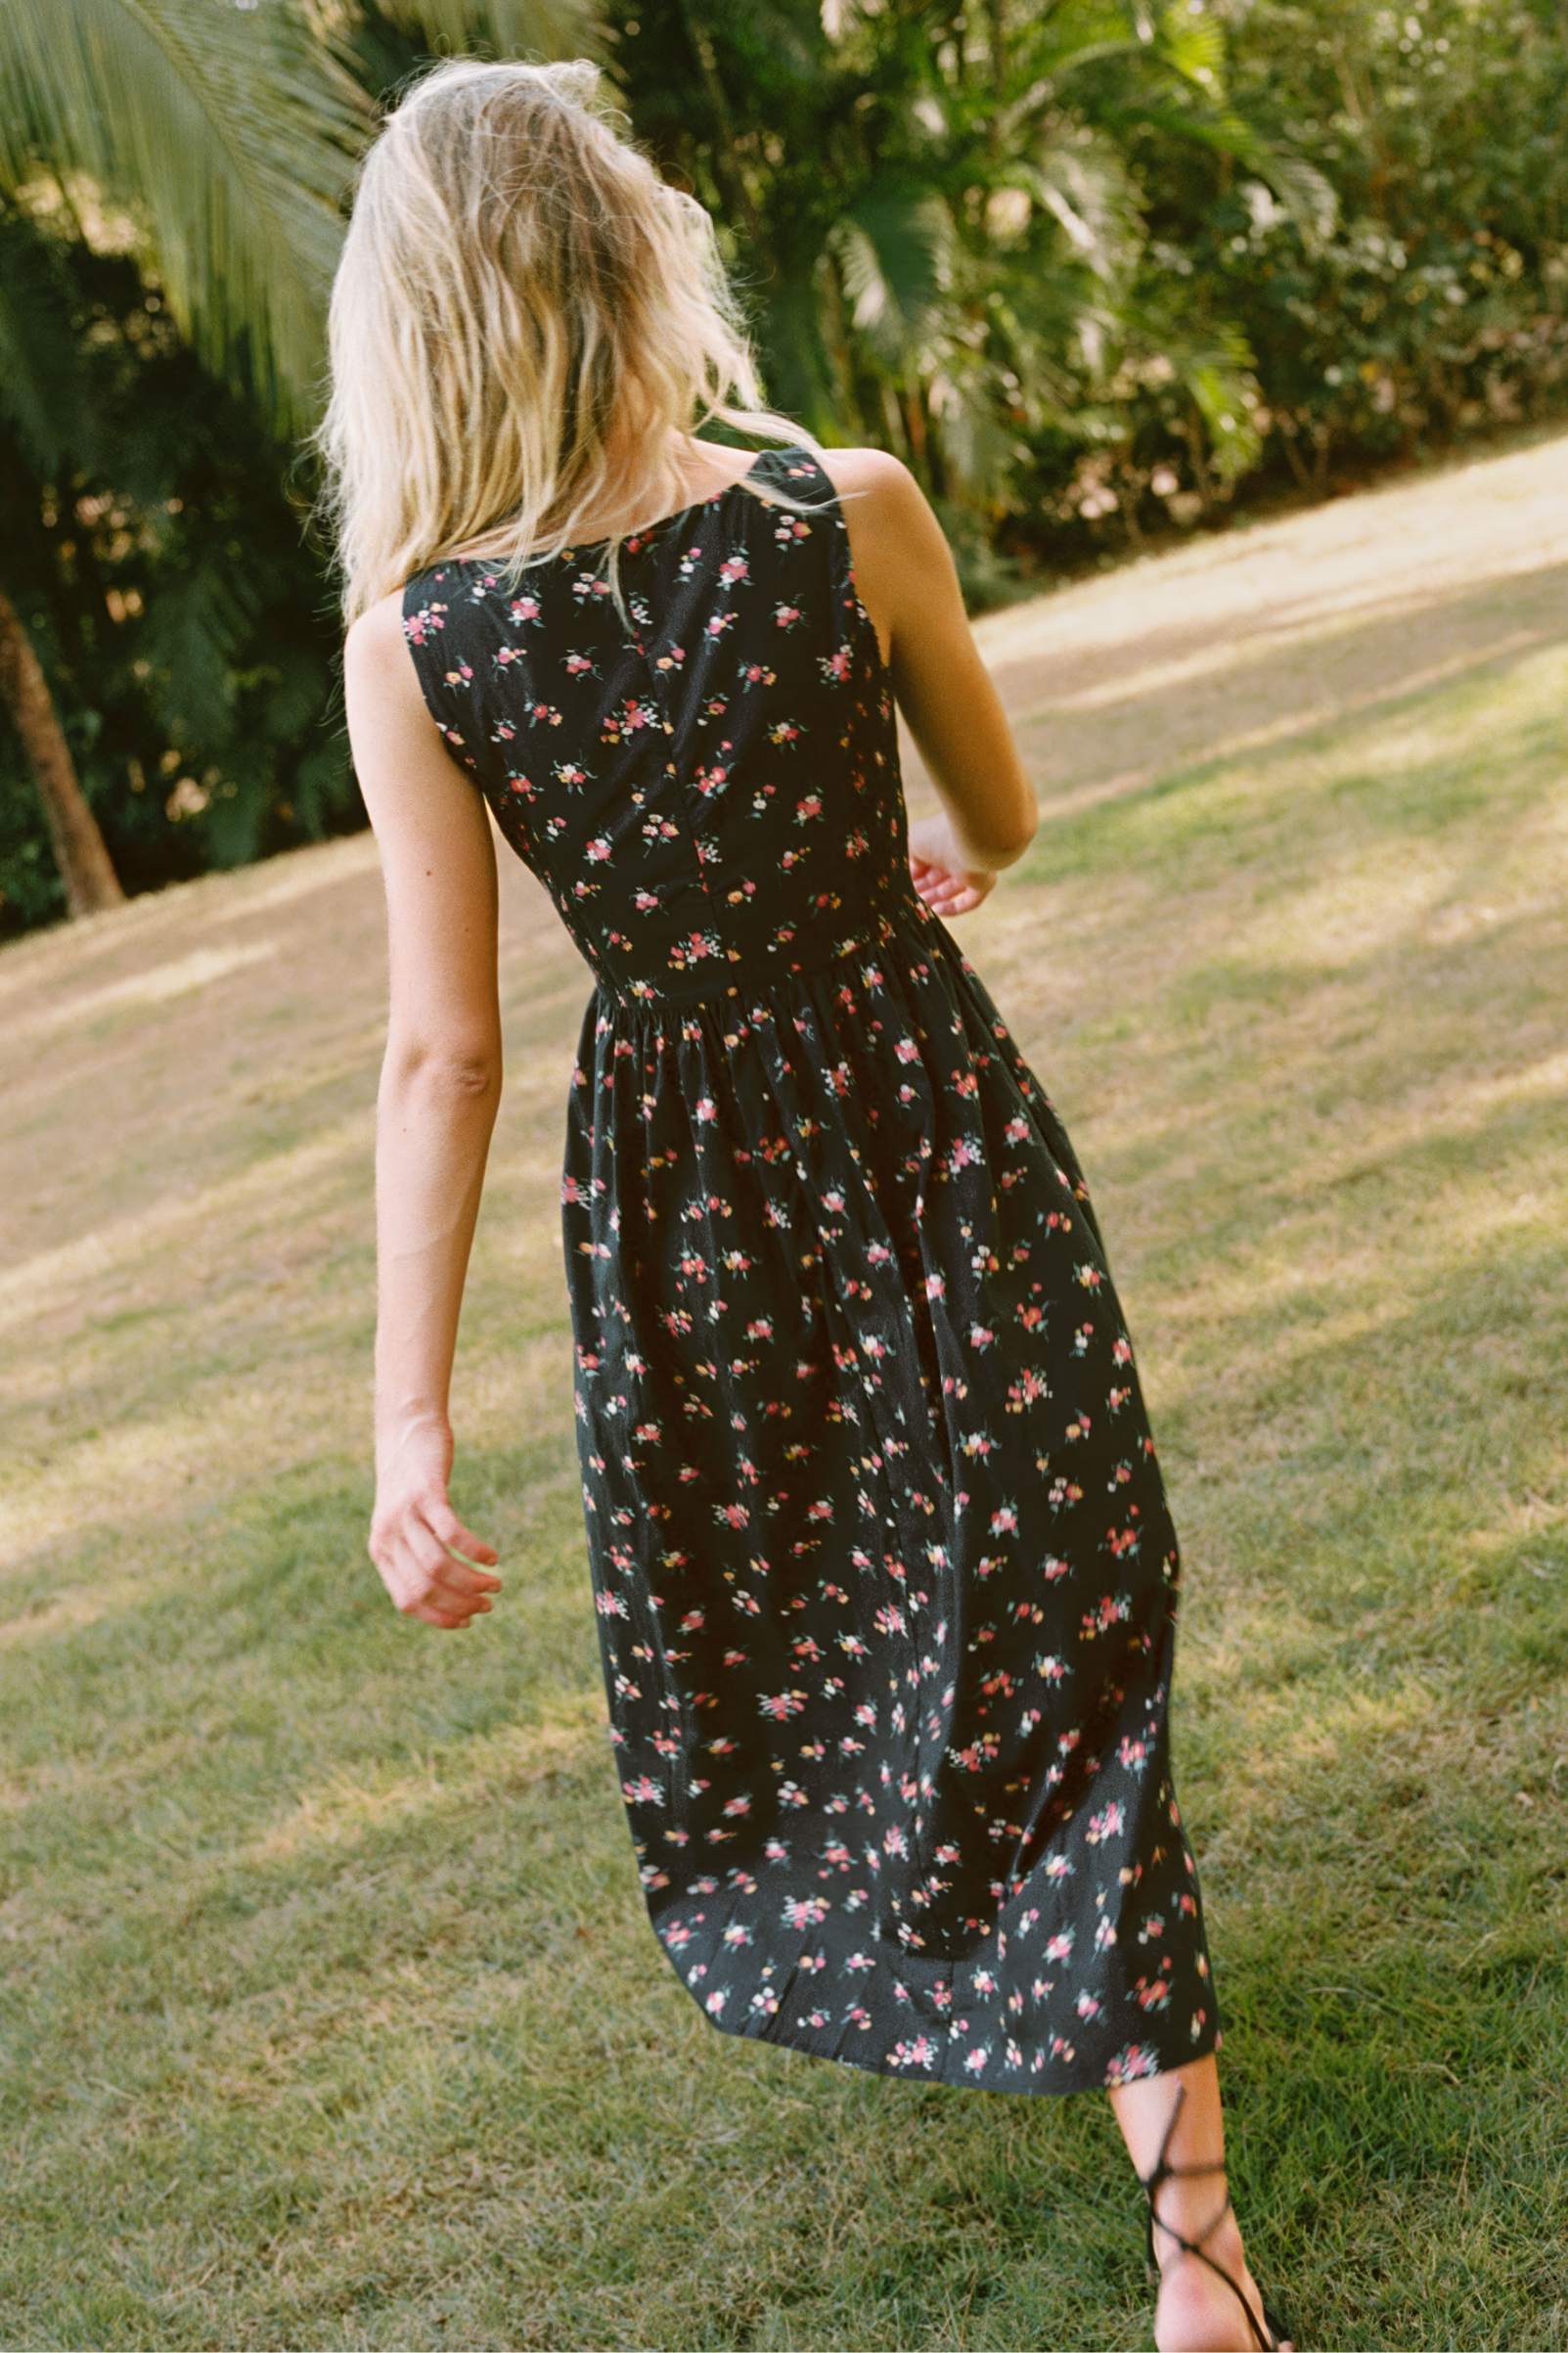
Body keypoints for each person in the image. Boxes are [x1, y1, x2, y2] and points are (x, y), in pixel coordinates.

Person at [319, 53, 1295, 2353]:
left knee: (844, 1623)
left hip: (688, 1203)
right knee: (1055, 1590)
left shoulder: (420, 649)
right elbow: (1000, 810)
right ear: (633, 250)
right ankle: (1198, 2265)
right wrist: (932, 859)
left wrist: (406, 1426)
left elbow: (444, 1051)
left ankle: (1120, 2125)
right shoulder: (842, 510)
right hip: (924, 1116)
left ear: (414, 330)